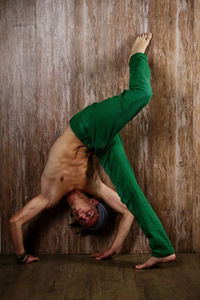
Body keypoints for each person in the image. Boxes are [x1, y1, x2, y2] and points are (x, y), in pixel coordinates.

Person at [9, 33, 176, 269]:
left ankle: (162, 248)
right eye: (90, 218)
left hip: (92, 134)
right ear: (95, 203)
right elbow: (126, 212)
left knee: (142, 96)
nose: (82, 217)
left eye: (83, 219)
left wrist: (21, 256)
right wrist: (116, 247)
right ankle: (162, 249)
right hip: (94, 135)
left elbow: (15, 222)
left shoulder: (49, 195)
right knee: (131, 191)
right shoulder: (93, 186)